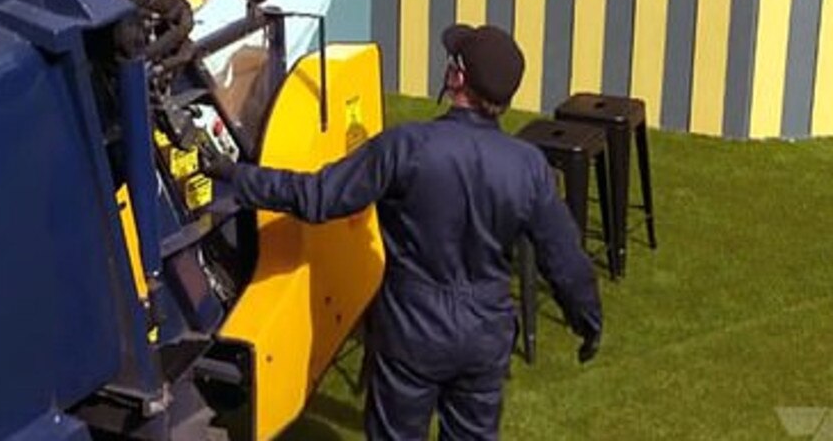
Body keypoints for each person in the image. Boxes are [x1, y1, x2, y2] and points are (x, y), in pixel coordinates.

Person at [203, 24, 603, 440]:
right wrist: (587, 319)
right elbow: (565, 258)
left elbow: (316, 197)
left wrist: (235, 175)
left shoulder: (406, 146)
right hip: (485, 334)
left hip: (412, 331)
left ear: (457, 78)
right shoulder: (528, 166)